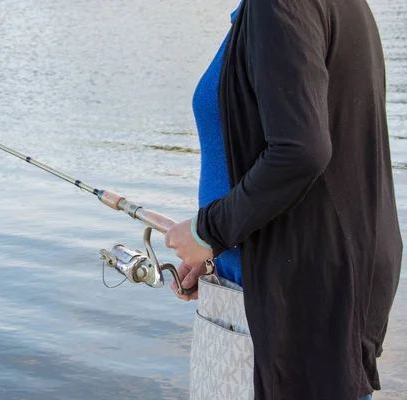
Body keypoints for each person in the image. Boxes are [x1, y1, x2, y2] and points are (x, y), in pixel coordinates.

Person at [165, 0, 402, 399]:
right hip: (297, 277)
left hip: (302, 292)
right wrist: (215, 250)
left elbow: (300, 151)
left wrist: (210, 230)